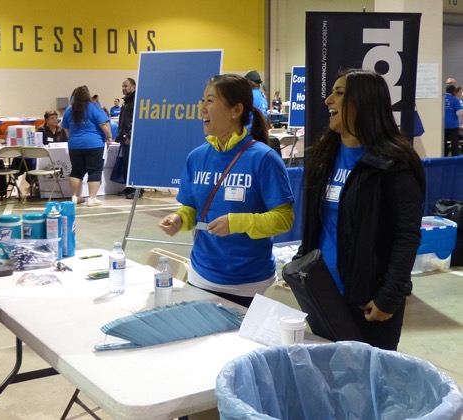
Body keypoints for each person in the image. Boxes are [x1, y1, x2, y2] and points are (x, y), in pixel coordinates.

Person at [297, 68, 425, 351]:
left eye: (339, 93)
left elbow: (407, 236)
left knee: (366, 384)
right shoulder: (324, 155)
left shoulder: (395, 163)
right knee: (328, 376)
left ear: (364, 102)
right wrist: (300, 263)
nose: (328, 100)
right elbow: (317, 222)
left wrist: (388, 297)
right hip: (321, 293)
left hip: (368, 300)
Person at [158, 74, 294, 308]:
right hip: (199, 278)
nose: (201, 109)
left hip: (251, 286)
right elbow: (192, 208)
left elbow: (284, 219)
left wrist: (236, 223)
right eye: (202, 100)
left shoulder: (264, 158)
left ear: (236, 110)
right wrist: (180, 218)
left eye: (210, 101)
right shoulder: (197, 157)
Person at [61, 85, 114, 206]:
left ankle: (75, 196)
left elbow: (66, 128)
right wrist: (109, 136)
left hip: (74, 145)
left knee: (76, 171)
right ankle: (92, 198)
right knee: (94, 170)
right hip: (94, 144)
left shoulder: (69, 109)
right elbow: (104, 124)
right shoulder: (94, 107)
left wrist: (73, 138)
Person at [115, 77, 142, 199]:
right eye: (122, 86)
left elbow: (136, 120)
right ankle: (129, 186)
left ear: (133, 87)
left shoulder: (136, 101)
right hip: (123, 137)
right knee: (126, 164)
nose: (123, 88)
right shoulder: (126, 101)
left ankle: (137, 190)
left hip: (130, 138)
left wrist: (130, 135)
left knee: (134, 164)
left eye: (126, 86)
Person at [444, 83, 462, 156]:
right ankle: (454, 158)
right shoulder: (455, 101)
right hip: (453, 126)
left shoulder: (442, 99)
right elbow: (460, 113)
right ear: (454, 92)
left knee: (444, 142)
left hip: (443, 126)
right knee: (454, 143)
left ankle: (444, 156)